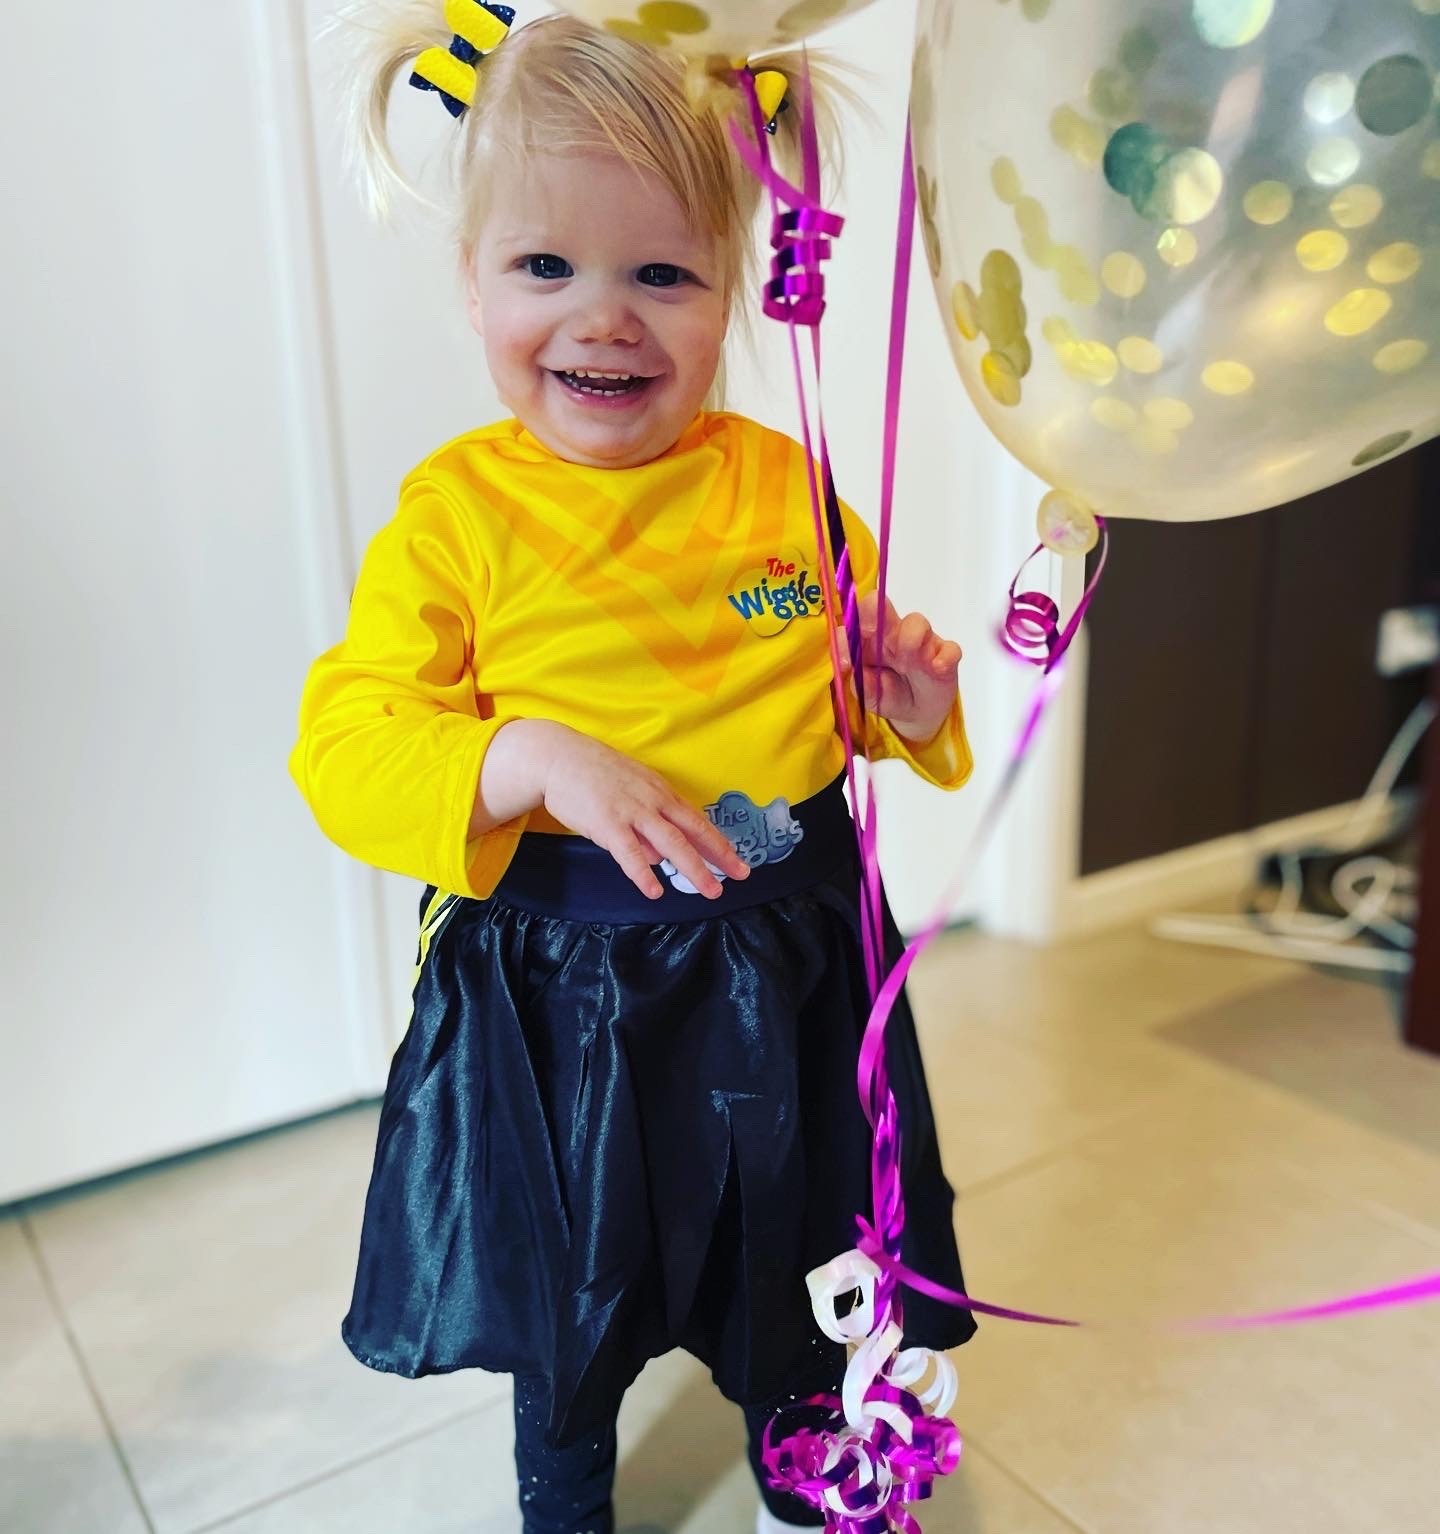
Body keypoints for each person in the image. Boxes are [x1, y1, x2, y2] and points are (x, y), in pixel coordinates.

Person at [291, 6, 976, 1531]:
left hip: (789, 953)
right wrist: (522, 757)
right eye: (548, 266)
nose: (606, 317)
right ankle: (567, 1469)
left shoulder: (779, 483)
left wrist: (904, 701)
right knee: (579, 1269)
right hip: (570, 988)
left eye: (663, 272)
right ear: (472, 286)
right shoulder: (456, 518)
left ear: (737, 288)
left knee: (793, 1232)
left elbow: (839, 712)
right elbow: (345, 749)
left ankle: (809, 1429)